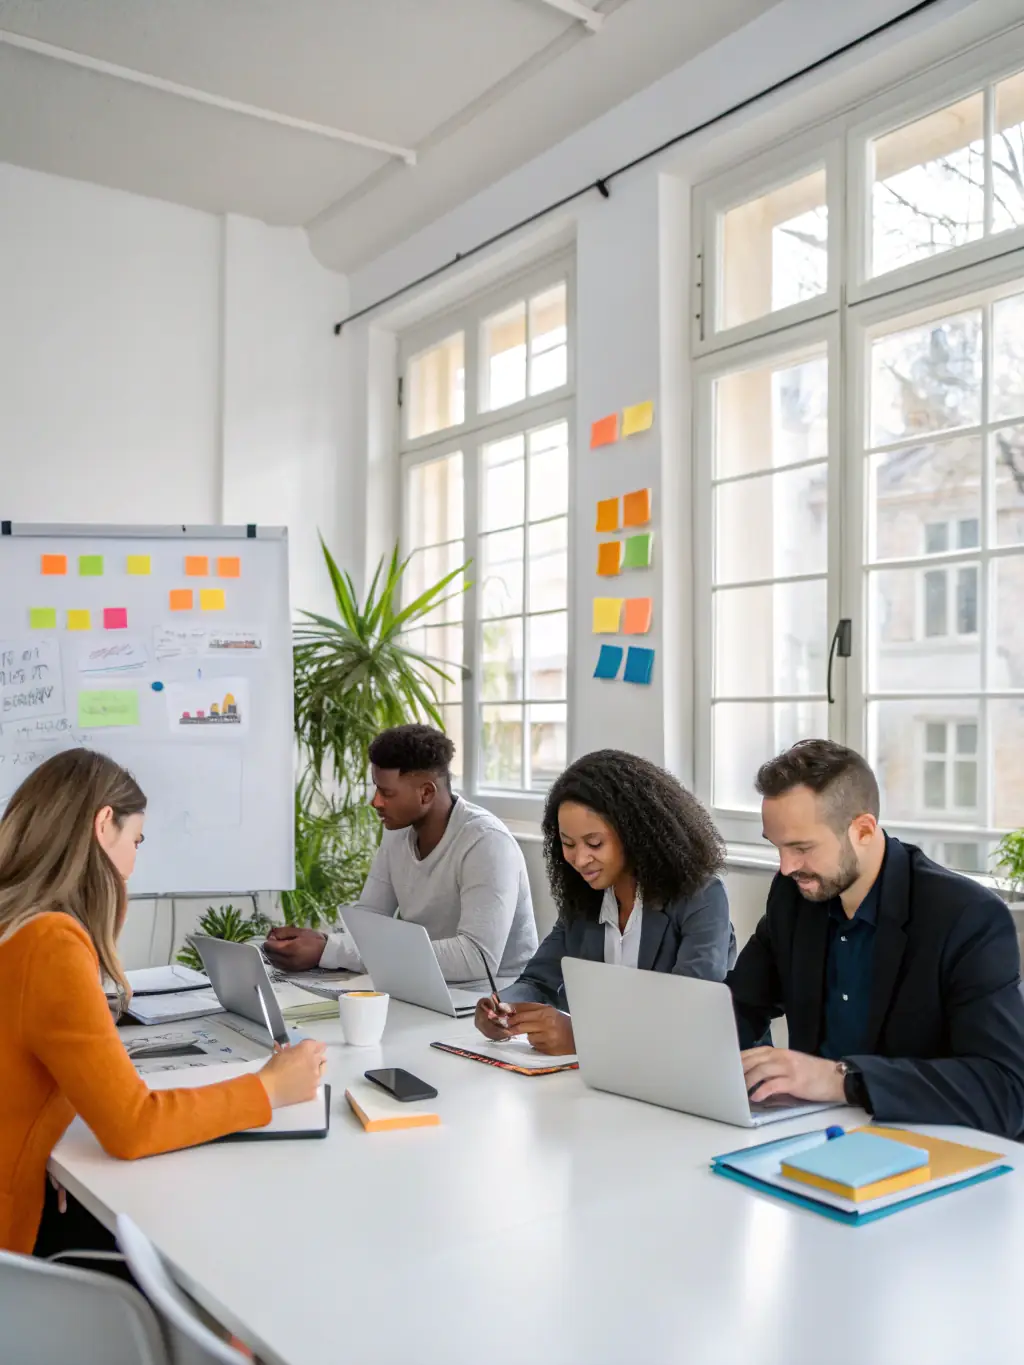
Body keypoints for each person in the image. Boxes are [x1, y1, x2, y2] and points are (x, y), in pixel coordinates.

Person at [0, 749, 326, 1258]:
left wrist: (45, 1138)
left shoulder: (14, 924)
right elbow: (133, 1126)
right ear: (103, 823)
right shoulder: (51, 942)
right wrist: (270, 1086)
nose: (132, 862)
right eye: (136, 839)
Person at [729, 738, 1024, 1139]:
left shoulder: (966, 917)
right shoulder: (795, 896)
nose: (785, 868)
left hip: (933, 1146)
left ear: (864, 830)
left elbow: (1005, 1091)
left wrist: (840, 1079)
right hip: (823, 1135)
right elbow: (738, 1005)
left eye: (801, 847)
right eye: (777, 847)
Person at [474, 750, 735, 1056]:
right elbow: (539, 981)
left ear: (636, 834)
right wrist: (502, 1006)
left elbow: (687, 1011)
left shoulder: (701, 896)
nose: (580, 859)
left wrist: (583, 1038)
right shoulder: (586, 899)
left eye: (595, 843)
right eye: (568, 844)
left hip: (690, 1068)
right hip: (607, 1076)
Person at [265, 725, 538, 985]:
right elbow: (370, 919)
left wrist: (332, 951)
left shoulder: (486, 842)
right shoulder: (398, 831)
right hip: (422, 983)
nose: (375, 802)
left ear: (426, 793)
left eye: (387, 792)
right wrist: (321, 943)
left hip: (496, 999)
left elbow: (477, 958)